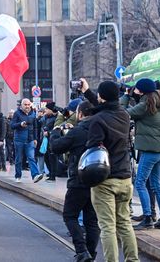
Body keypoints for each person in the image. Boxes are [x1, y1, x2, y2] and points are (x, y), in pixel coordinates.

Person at [81, 79, 139, 262]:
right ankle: (132, 260)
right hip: (125, 178)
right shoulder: (124, 115)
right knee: (124, 223)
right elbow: (107, 106)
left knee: (107, 227)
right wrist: (88, 92)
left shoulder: (98, 120)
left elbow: (92, 147)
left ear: (101, 97)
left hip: (105, 179)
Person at [50, 101, 100, 262]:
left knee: (69, 215)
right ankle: (91, 253)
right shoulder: (100, 130)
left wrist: (56, 131)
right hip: (97, 181)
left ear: (80, 114)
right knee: (92, 220)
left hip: (78, 181)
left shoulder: (77, 131)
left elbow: (56, 147)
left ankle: (81, 250)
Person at [121, 78, 160, 230]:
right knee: (156, 184)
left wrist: (126, 96)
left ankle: (148, 217)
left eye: (136, 89)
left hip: (149, 150)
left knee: (140, 182)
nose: (134, 90)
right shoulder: (158, 101)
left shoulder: (145, 105)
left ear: (141, 91)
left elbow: (122, 113)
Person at [10, 99, 44, 183]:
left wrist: (35, 138)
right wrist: (20, 124)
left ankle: (35, 175)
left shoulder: (33, 113)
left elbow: (35, 127)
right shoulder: (17, 113)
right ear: (21, 105)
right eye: (25, 105)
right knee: (18, 158)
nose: (27, 106)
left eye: (28, 104)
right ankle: (18, 175)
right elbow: (12, 125)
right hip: (19, 140)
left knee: (31, 157)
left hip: (30, 139)